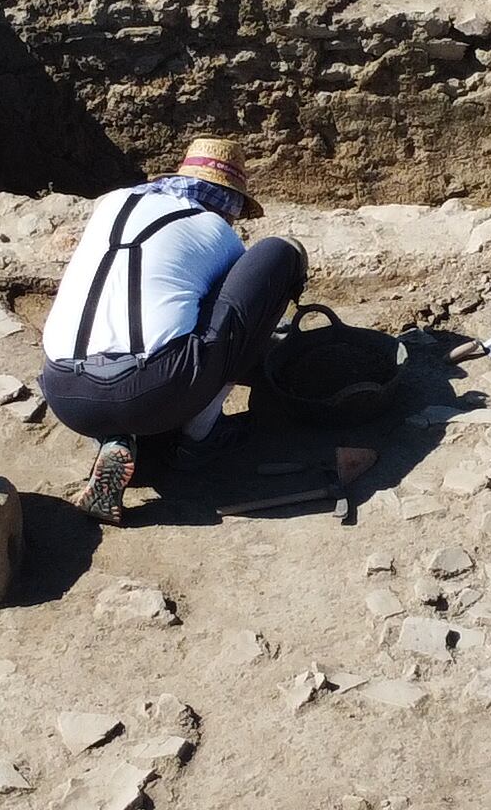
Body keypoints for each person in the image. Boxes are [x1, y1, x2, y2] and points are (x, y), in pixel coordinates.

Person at [36, 139, 308, 523]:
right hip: (156, 388)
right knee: (279, 253)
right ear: (228, 202)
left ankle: (117, 437)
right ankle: (201, 436)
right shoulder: (217, 230)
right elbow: (233, 315)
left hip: (66, 394)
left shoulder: (112, 203)